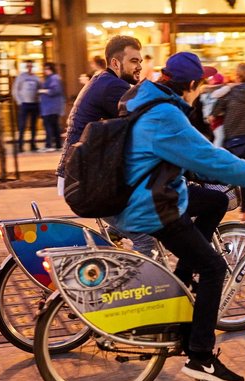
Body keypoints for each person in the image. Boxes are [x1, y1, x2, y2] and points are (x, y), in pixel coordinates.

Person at [114, 51, 245, 381]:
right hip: (152, 206)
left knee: (212, 203)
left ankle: (184, 286)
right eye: (202, 84)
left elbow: (193, 156)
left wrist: (213, 170)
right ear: (193, 85)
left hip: (151, 194)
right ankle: (200, 357)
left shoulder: (151, 101)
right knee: (214, 267)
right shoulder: (166, 114)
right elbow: (209, 157)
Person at [55, 35, 152, 254]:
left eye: (140, 61)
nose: (140, 66)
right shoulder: (113, 87)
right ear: (116, 63)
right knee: (147, 236)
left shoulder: (103, 81)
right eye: (134, 61)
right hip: (87, 182)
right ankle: (141, 285)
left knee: (132, 218)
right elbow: (147, 122)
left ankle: (110, 255)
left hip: (84, 175)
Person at [212, 63, 245, 223]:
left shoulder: (231, 92)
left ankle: (216, 204)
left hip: (231, 139)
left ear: (238, 75)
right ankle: (244, 214)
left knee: (221, 173)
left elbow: (215, 111)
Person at [12, 60, 41, 152]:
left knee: (33, 126)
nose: (29, 68)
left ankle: (33, 144)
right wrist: (19, 101)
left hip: (34, 104)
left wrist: (39, 101)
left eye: (31, 66)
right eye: (28, 66)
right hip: (24, 104)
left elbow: (40, 90)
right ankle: (20, 145)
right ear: (25, 67)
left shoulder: (37, 78)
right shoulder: (21, 77)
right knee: (22, 126)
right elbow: (15, 90)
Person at [38, 62, 65, 152]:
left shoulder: (54, 78)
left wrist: (43, 91)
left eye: (47, 69)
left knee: (49, 126)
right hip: (51, 107)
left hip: (51, 107)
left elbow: (55, 90)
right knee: (54, 126)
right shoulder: (52, 78)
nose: (45, 71)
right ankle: (57, 144)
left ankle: (49, 145)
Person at [200, 73, 229, 147]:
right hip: (215, 119)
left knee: (216, 138)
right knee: (219, 138)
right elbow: (227, 88)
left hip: (210, 119)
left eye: (212, 80)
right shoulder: (217, 92)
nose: (210, 81)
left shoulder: (205, 91)